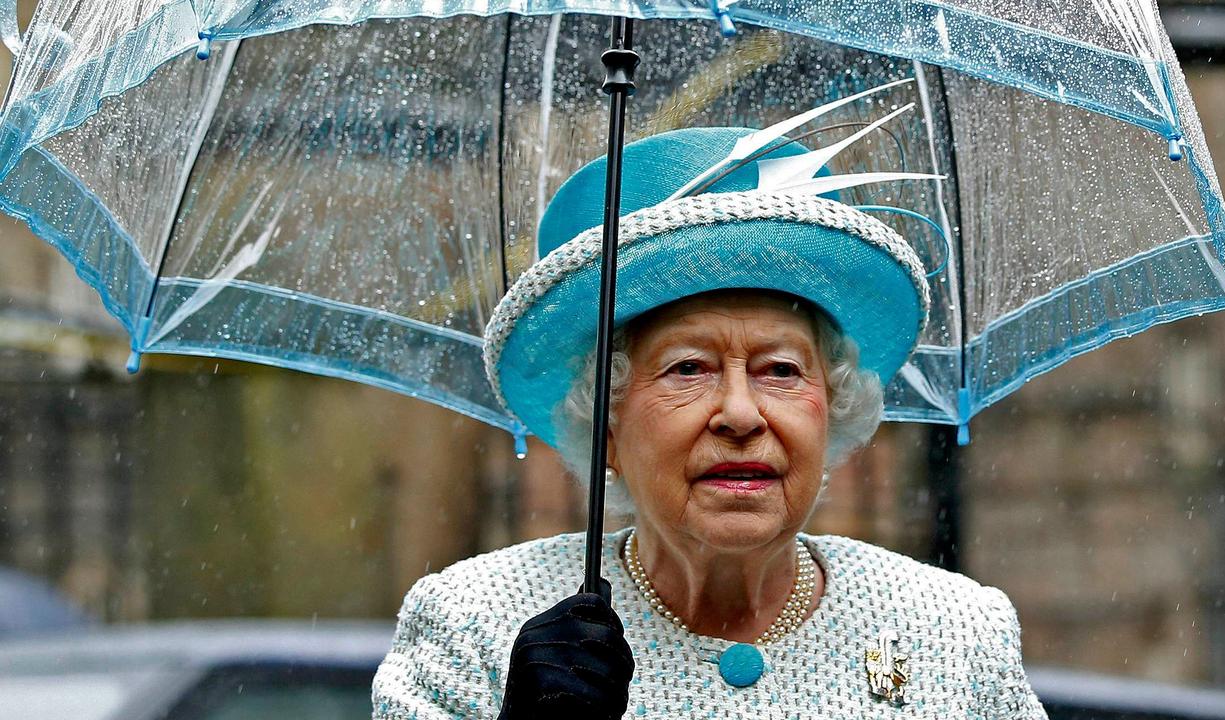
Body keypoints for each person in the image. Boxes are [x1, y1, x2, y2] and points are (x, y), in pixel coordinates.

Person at [372, 124, 1047, 718]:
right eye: (687, 369)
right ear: (605, 425)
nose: (741, 413)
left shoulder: (955, 633)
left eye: (781, 370)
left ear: (831, 410)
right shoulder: (473, 626)